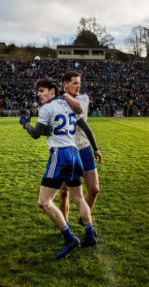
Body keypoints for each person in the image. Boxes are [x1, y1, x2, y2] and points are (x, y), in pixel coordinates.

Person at [19, 77, 98, 259]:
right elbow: (78, 120)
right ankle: (89, 234)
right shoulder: (67, 104)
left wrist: (25, 124)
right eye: (38, 92)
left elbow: (36, 134)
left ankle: (69, 238)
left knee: (44, 202)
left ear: (52, 91)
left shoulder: (46, 108)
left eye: (42, 91)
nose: (38, 95)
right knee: (78, 197)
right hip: (74, 153)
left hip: (60, 155)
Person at [57, 71, 102, 231]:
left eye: (79, 83)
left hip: (84, 149)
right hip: (66, 151)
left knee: (94, 189)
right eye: (74, 83)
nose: (78, 86)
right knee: (64, 192)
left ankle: (85, 219)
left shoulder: (83, 98)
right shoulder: (56, 102)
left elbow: (78, 110)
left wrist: (95, 149)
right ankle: (65, 225)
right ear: (65, 85)